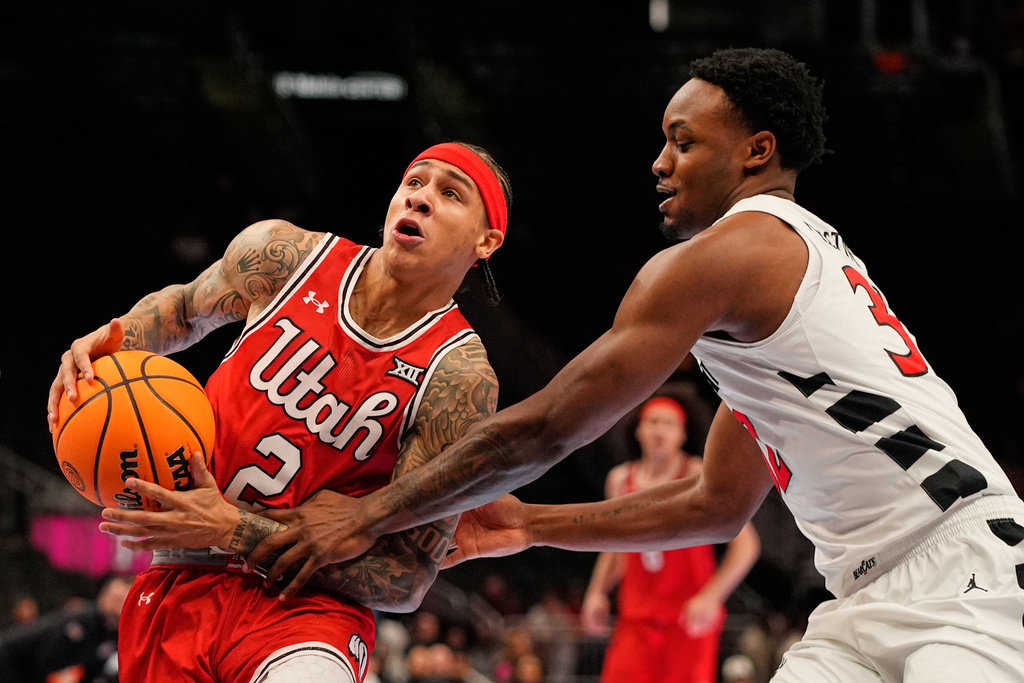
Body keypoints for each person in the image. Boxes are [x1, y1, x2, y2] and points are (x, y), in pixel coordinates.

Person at [241, 47, 1024, 681]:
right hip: (861, 595)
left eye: (683, 141)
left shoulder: (732, 254)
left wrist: (368, 512)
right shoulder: (780, 293)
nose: (659, 162)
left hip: (965, 568)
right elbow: (718, 501)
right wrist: (526, 524)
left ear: (757, 152)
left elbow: (548, 426)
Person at [46, 141, 511, 682]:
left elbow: (404, 579)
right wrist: (112, 340)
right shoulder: (285, 256)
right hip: (180, 575)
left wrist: (230, 528)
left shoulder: (458, 377)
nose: (421, 199)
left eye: (449, 193)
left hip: (308, 608)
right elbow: (182, 308)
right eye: (414, 183)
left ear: (487, 240)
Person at [580, 395, 760, 683]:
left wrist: (711, 597)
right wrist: (597, 591)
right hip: (636, 619)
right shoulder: (620, 479)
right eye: (653, 422)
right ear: (639, 430)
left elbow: (747, 545)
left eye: (669, 423)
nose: (659, 430)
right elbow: (615, 547)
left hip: (688, 622)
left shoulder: (699, 475)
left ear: (682, 434)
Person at [0, 574, 132, 683]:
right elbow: (45, 656)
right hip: (11, 657)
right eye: (114, 597)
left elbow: (93, 669)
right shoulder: (82, 619)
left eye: (122, 600)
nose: (115, 604)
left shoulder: (113, 634)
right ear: (103, 595)